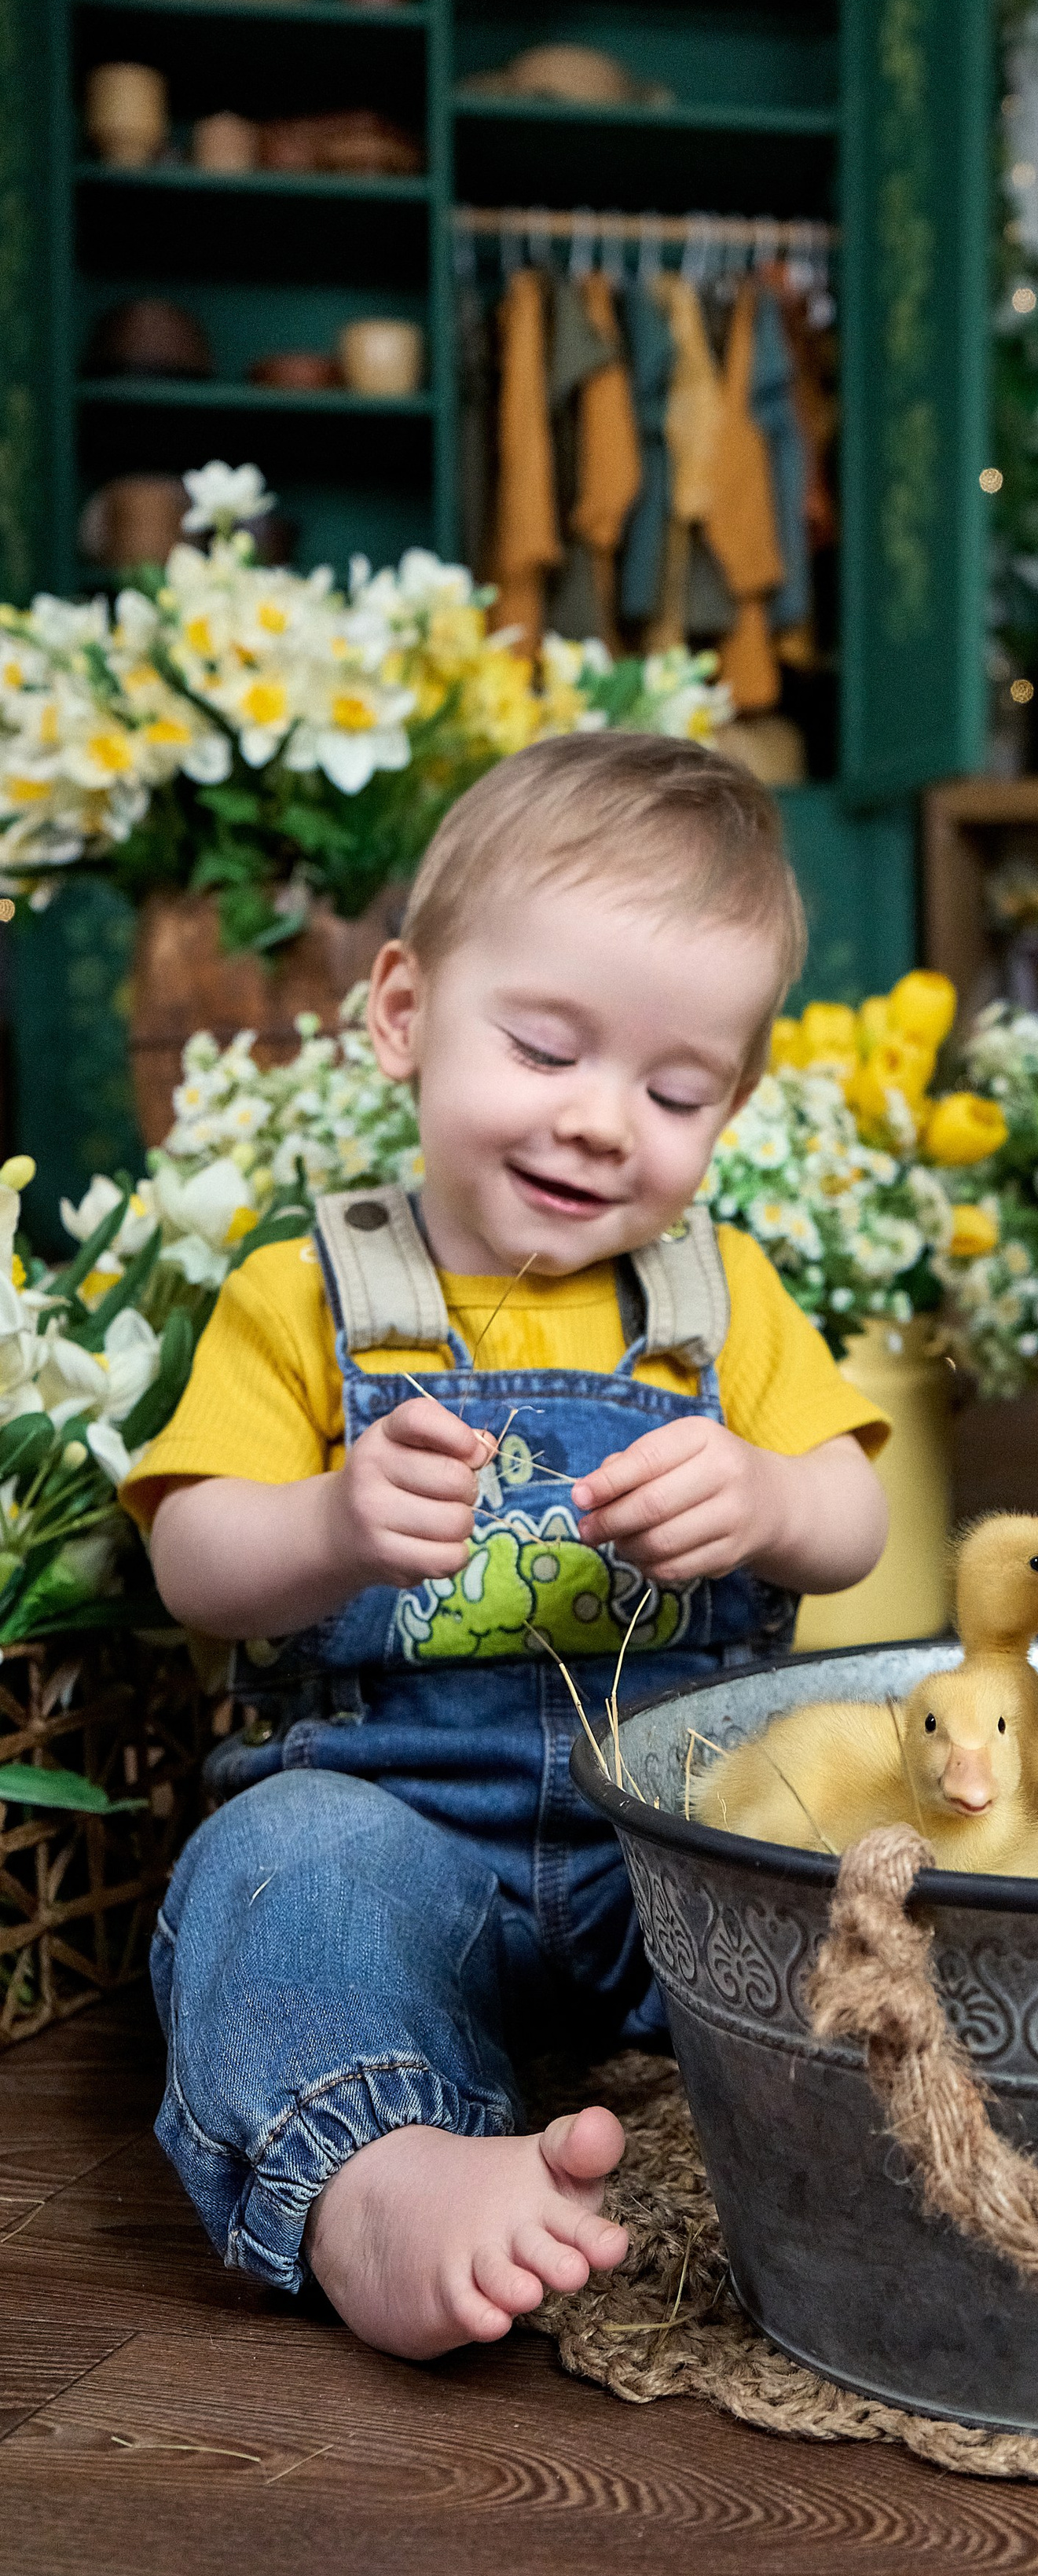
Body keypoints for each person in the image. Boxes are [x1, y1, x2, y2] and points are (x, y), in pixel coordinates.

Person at [130, 734, 890, 2361]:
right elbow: (192, 1560)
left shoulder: (719, 1296)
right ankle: (380, 2169)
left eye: (674, 1092)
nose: (603, 1124)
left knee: (866, 1836)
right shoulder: (301, 1292)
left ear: (728, 1106)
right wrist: (332, 1523)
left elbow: (853, 1520)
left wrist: (765, 1498)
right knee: (274, 1880)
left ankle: (920, 2118)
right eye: (545, 1050)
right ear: (402, 1012)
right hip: (405, 1829)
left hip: (675, 1843)